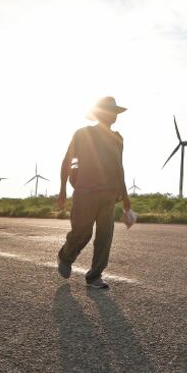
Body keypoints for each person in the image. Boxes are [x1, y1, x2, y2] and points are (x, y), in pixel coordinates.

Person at [56, 96, 132, 289]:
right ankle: (65, 256)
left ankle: (95, 276)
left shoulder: (118, 139)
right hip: (85, 192)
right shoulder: (82, 134)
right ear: (99, 113)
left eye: (115, 112)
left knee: (105, 237)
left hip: (108, 195)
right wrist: (63, 190)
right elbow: (66, 161)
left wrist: (125, 198)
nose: (113, 116)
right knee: (83, 232)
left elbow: (119, 168)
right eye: (109, 111)